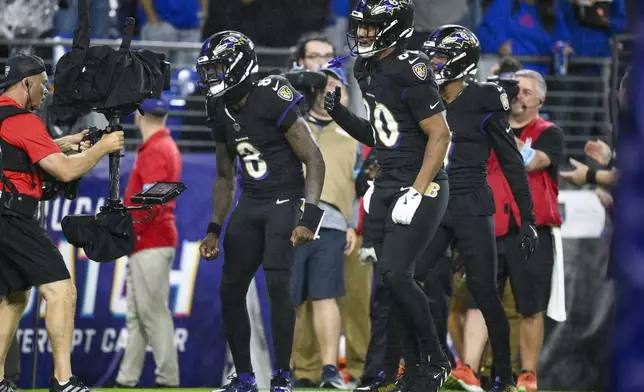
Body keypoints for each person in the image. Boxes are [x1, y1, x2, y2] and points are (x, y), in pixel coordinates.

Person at [324, 1, 452, 391]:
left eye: (371, 28)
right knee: (391, 285)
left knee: (398, 274)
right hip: (390, 183)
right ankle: (412, 370)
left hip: (421, 184)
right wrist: (342, 116)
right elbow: (385, 135)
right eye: (361, 27)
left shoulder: (409, 67)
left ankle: (435, 359)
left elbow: (440, 134)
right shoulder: (368, 67)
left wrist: (415, 191)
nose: (363, 35)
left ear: (395, 28)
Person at [197, 31, 326, 392]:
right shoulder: (218, 106)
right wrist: (213, 229)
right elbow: (225, 175)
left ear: (238, 65)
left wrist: (309, 217)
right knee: (230, 289)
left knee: (277, 284)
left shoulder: (271, 93)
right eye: (208, 69)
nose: (211, 76)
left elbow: (313, 158)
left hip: (284, 198)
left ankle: (282, 376)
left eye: (219, 68)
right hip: (251, 200)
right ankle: (244, 377)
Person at [417, 25, 537, 392]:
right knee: (408, 279)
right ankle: (421, 364)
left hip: (471, 203)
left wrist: (528, 217)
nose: (433, 63)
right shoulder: (425, 96)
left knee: (485, 293)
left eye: (439, 57)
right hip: (435, 202)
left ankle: (502, 373)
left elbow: (512, 162)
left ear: (459, 60)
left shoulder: (483, 97)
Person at [0, 53, 124, 392]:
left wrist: (65, 143)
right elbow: (67, 170)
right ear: (26, 83)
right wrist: (103, 147)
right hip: (12, 216)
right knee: (61, 291)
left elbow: (17, 151)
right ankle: (63, 380)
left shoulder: (4, 117)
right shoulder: (24, 120)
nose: (46, 90)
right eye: (42, 83)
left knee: (13, 296)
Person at [456, 69, 566, 392]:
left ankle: (528, 375)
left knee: (530, 306)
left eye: (525, 92)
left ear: (540, 100)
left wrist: (496, 121)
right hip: (490, 226)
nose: (517, 96)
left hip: (530, 230)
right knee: (478, 300)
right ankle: (468, 370)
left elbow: (533, 162)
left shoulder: (549, 131)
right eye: (513, 90)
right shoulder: (486, 124)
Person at [290, 66, 359, 388]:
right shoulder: (293, 124)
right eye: (324, 87)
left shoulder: (357, 131)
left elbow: (363, 182)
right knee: (287, 298)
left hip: (332, 221)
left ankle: (330, 369)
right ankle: (283, 367)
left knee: (324, 296)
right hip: (291, 217)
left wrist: (353, 224)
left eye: (337, 88)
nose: (329, 93)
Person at [113, 97, 182, 388]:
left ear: (139, 117)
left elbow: (150, 204)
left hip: (149, 240)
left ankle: (168, 379)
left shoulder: (155, 150)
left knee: (152, 314)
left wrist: (134, 233)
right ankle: (126, 379)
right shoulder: (164, 146)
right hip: (150, 241)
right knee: (139, 316)